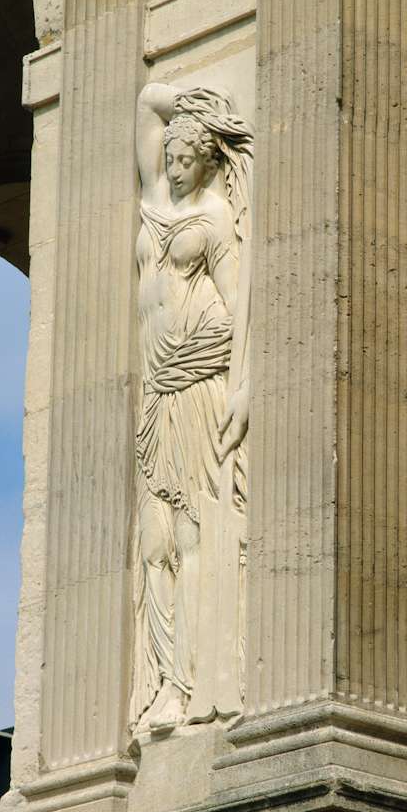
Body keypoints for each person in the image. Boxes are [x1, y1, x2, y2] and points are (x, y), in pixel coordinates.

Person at [132, 84, 252, 731]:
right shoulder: (154, 203)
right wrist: (198, 106)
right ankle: (164, 681)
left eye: (186, 159)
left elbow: (240, 314)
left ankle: (188, 684)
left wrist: (245, 386)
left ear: (207, 162)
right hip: (156, 390)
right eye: (171, 157)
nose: (174, 168)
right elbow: (149, 100)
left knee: (190, 534)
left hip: (199, 383)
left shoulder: (212, 223)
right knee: (154, 545)